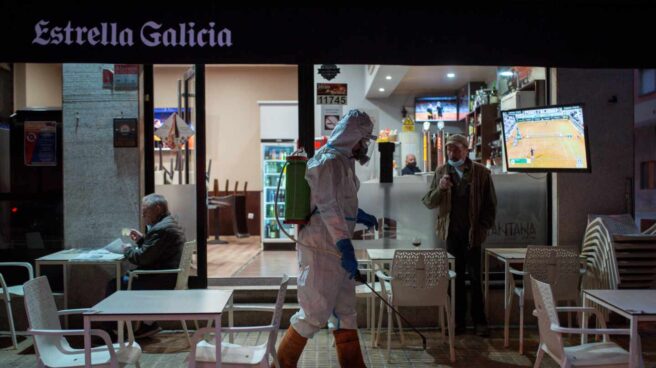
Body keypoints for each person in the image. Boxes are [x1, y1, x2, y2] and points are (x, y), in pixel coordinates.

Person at [275, 109, 378, 368]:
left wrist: (358, 215)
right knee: (314, 312)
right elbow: (328, 208)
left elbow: (340, 204)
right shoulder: (325, 162)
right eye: (362, 140)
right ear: (351, 135)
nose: (363, 146)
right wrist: (344, 245)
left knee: (346, 311)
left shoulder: (342, 162)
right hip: (321, 249)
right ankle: (281, 363)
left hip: (337, 250)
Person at [421, 134, 497, 337]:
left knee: (475, 278)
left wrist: (482, 228)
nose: (451, 153)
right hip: (451, 233)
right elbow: (428, 202)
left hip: (473, 234)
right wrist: (441, 188)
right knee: (454, 279)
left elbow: (491, 205)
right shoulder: (441, 172)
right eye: (448, 149)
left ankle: (480, 322)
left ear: (466, 149)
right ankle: (458, 321)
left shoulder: (481, 173)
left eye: (455, 149)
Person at [105, 193, 185, 339]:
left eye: (145, 211)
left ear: (158, 208)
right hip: (168, 276)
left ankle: (113, 333)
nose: (143, 215)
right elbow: (156, 252)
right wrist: (142, 240)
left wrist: (127, 249)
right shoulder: (170, 223)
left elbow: (142, 258)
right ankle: (147, 325)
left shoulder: (161, 229)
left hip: (159, 279)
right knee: (119, 282)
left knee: (114, 285)